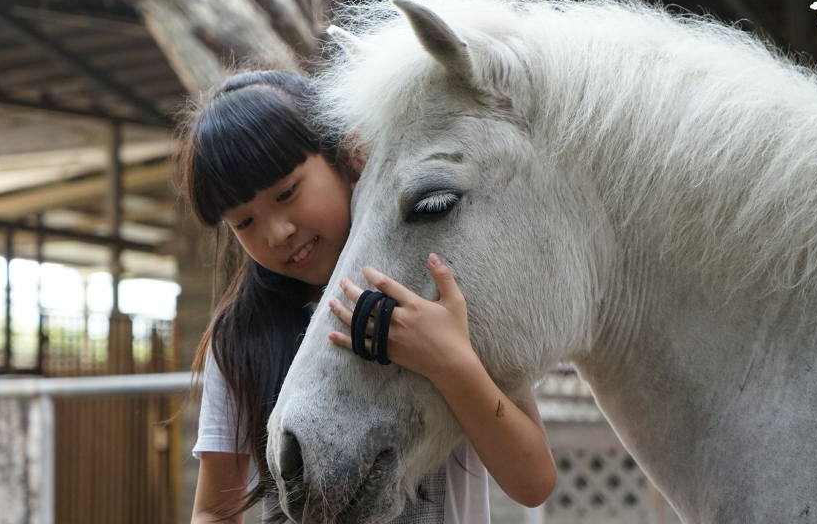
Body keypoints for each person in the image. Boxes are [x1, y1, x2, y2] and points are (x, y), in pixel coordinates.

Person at [180, 70, 555, 524]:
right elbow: (214, 510)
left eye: (287, 193)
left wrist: (449, 361)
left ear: (348, 154)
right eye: (244, 223)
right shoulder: (241, 337)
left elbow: (532, 482)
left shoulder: (442, 290)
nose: (277, 233)